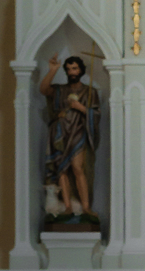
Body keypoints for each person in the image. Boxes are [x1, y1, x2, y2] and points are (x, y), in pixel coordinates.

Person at [40, 53, 101, 224]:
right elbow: (44, 89)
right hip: (60, 133)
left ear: (81, 70)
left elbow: (96, 114)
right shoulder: (61, 90)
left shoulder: (90, 92)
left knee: (77, 168)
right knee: (62, 170)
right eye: (68, 69)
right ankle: (67, 206)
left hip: (78, 133)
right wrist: (53, 70)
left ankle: (86, 207)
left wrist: (82, 108)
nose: (71, 72)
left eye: (74, 68)